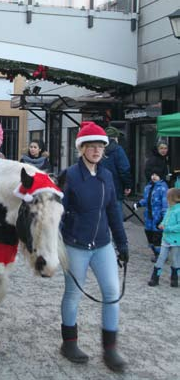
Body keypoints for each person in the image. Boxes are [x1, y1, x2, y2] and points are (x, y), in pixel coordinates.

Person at [59, 121, 129, 373]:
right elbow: (58, 211)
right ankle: (69, 343)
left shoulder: (107, 176)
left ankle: (110, 349)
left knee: (111, 293)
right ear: (82, 148)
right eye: (91, 146)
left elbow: (113, 211)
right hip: (75, 245)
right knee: (73, 294)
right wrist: (56, 243)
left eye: (100, 146)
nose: (96, 150)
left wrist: (122, 243)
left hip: (102, 245)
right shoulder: (70, 175)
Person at [147, 188, 180, 287]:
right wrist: (161, 224)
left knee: (175, 259)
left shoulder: (178, 210)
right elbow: (165, 220)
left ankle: (174, 279)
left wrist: (167, 228)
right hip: (165, 238)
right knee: (161, 258)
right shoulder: (170, 209)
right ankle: (155, 278)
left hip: (175, 240)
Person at [134, 171, 168, 262]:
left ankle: (160, 255)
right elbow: (146, 199)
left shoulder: (163, 188)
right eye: (153, 174)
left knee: (157, 236)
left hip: (158, 217)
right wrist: (139, 204)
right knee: (149, 234)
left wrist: (164, 218)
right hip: (149, 216)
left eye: (156, 175)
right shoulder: (148, 187)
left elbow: (165, 204)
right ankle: (156, 252)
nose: (154, 177)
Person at [101, 126, 132, 223]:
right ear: (115, 138)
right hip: (116, 190)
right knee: (116, 221)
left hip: (100, 189)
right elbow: (124, 169)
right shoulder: (118, 150)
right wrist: (128, 185)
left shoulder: (98, 149)